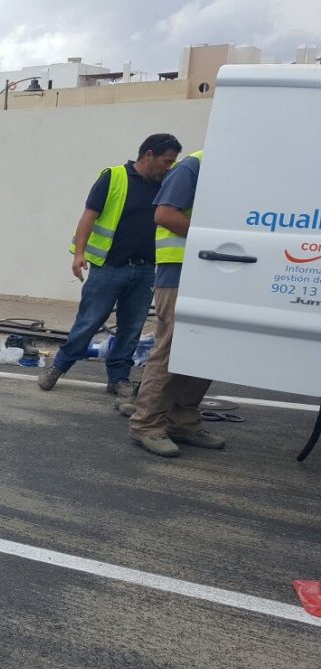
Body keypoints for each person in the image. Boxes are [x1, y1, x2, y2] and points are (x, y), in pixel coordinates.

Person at [38, 133, 182, 398]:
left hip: (146, 270)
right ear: (149, 154)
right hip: (110, 267)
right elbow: (89, 217)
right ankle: (58, 366)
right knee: (89, 322)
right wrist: (78, 254)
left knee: (132, 328)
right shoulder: (114, 177)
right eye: (166, 161)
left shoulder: (166, 185)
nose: (169, 167)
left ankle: (118, 379)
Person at [125, 151, 224, 457]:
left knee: (207, 350)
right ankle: (147, 424)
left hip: (220, 273)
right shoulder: (195, 165)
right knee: (171, 349)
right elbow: (165, 214)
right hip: (181, 272)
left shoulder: (240, 168)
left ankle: (183, 420)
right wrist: (219, 242)